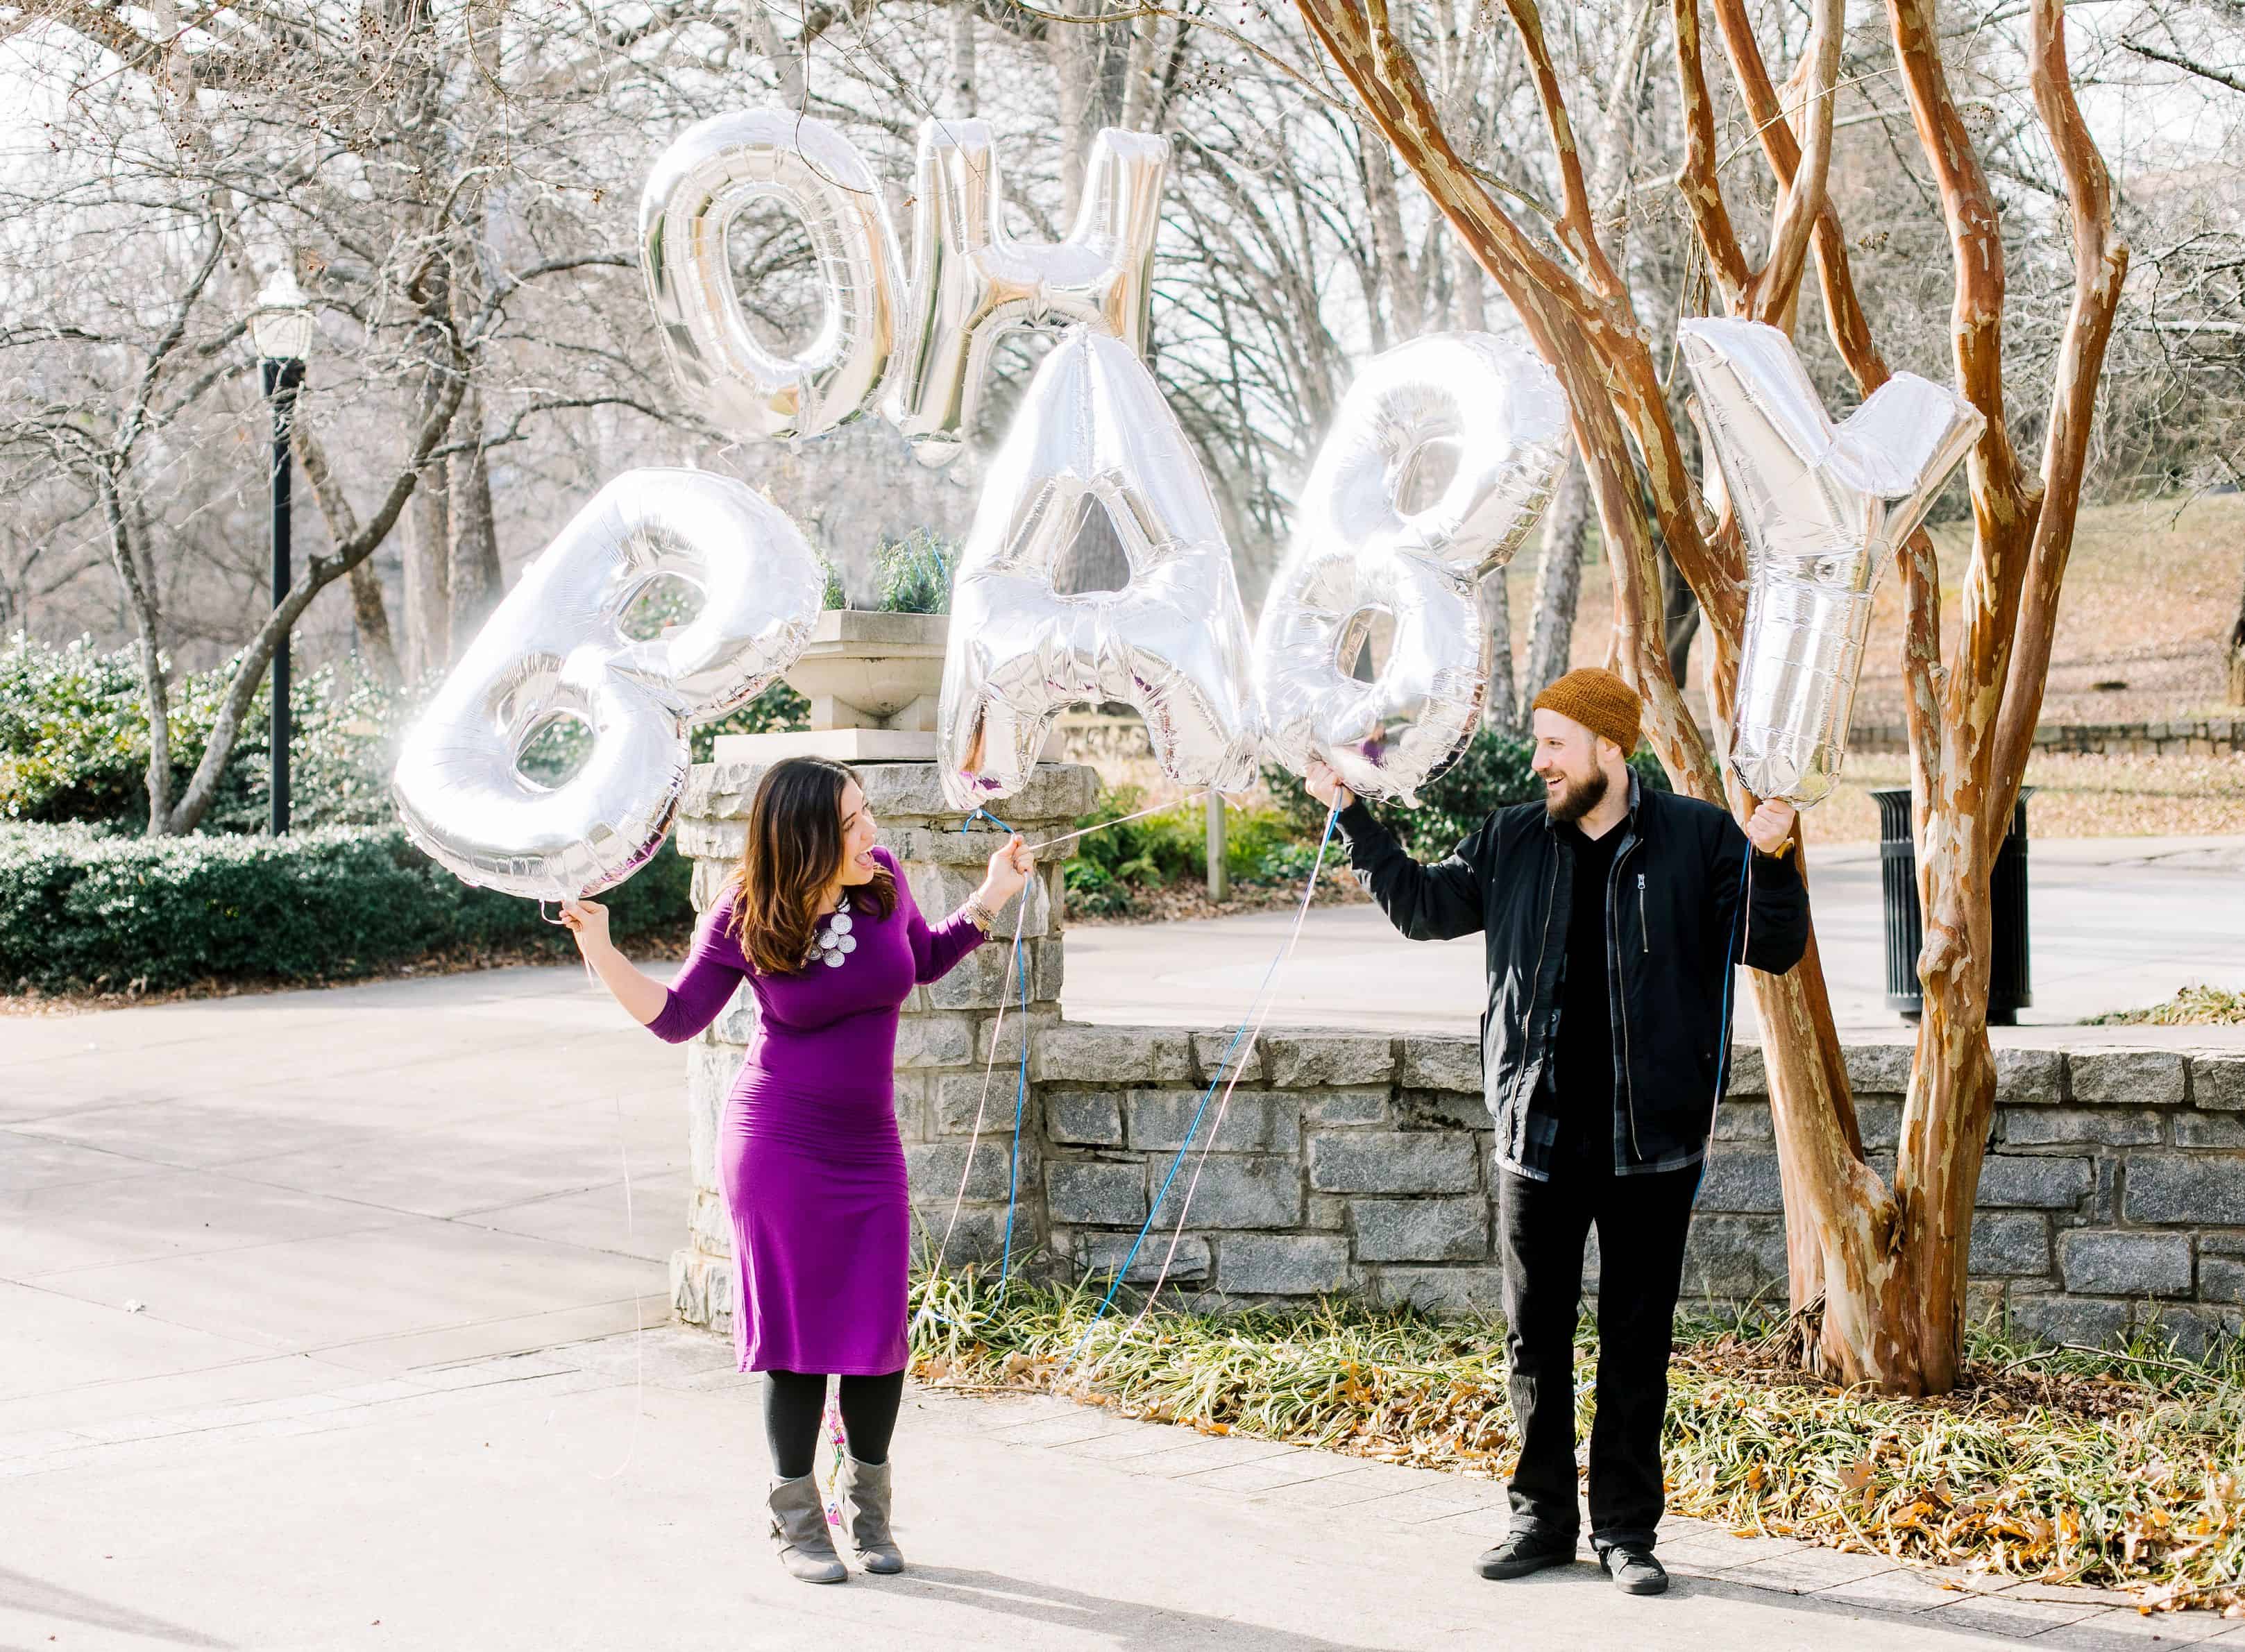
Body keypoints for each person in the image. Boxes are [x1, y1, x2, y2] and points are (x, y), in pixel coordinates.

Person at [1305, 667, 1807, 1597]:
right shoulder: (1510, 839)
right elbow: (1422, 906)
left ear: (1607, 749)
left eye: (1552, 743)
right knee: (1533, 1335)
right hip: (1534, 1138)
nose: (1536, 760)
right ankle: (1538, 1518)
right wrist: (1353, 817)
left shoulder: (1696, 838)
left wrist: (1772, 858)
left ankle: (1624, 1530)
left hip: (1649, 1143)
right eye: (1536, 742)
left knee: (1633, 1339)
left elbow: (1769, 946)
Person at [559, 756, 1032, 1585]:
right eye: (852, 823)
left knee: (879, 1338)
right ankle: (796, 1519)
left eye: (868, 813)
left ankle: (869, 1508)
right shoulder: (744, 913)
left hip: (867, 1146)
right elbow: (675, 1019)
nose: (872, 832)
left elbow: (921, 959)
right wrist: (601, 948)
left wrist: (992, 892)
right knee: (799, 1343)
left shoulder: (881, 879)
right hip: (778, 1144)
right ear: (808, 838)